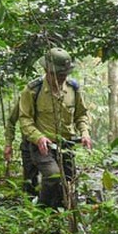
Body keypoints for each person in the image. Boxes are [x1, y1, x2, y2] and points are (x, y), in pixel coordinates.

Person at [18, 48, 93, 209]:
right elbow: (25, 119)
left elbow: (81, 115)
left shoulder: (73, 89)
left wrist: (85, 132)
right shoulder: (32, 90)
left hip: (66, 145)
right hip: (42, 146)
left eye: (64, 74)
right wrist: (38, 137)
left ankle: (60, 215)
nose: (62, 78)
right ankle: (42, 213)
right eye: (58, 75)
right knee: (53, 175)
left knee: (69, 182)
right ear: (47, 71)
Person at [5, 95, 39, 195]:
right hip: (29, 144)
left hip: (52, 143)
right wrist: (8, 144)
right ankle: (30, 206)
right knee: (30, 181)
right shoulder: (27, 95)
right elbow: (11, 120)